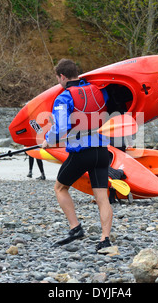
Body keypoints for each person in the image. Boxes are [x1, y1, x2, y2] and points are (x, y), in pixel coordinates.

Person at [42, 58, 113, 251]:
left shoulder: (64, 97)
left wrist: (48, 139)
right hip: (102, 151)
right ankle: (105, 239)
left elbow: (61, 129)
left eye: (58, 78)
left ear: (62, 76)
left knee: (60, 188)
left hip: (82, 152)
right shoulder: (99, 91)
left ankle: (76, 228)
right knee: (102, 197)